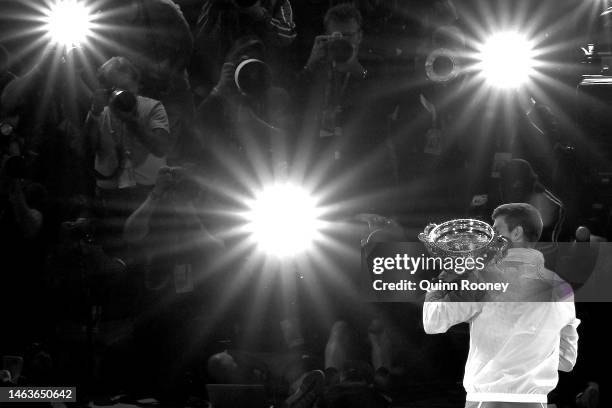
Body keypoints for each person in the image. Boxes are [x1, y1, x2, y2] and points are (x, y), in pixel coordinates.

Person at [423, 203, 580, 408]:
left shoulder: (484, 279)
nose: (490, 239)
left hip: (487, 401)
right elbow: (567, 361)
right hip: (536, 403)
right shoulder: (562, 288)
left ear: (516, 233)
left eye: (496, 231)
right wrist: (529, 353)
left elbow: (432, 321)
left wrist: (443, 278)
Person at [87, 56, 173, 254]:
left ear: (137, 84)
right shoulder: (100, 111)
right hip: (110, 198)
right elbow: (85, 150)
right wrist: (93, 112)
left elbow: (161, 147)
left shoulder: (153, 107)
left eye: (125, 86)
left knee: (148, 257)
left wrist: (133, 121)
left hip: (147, 196)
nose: (121, 93)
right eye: (113, 88)